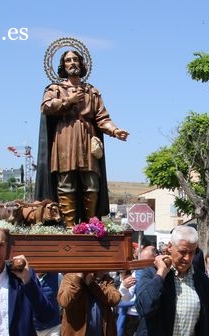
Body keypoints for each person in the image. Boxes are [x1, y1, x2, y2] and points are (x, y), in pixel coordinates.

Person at [36, 49, 129, 227]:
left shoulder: (91, 91)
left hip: (87, 138)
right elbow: (46, 107)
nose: (72, 62)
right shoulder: (55, 89)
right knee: (66, 184)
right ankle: (70, 226)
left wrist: (115, 130)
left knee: (92, 184)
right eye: (68, 60)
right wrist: (68, 101)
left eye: (75, 59)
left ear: (81, 63)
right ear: (63, 65)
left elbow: (102, 117)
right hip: (65, 137)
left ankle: (91, 225)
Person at [117, 245, 157, 336]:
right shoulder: (137, 274)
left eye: (147, 261)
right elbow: (127, 296)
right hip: (132, 313)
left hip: (148, 314)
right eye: (142, 260)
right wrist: (124, 287)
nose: (144, 264)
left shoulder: (160, 273)